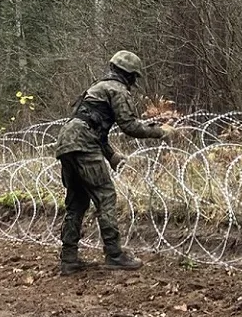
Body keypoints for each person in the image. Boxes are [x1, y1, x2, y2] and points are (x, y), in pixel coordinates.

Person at [54, 50, 175, 275]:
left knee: (77, 202)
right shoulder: (117, 89)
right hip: (84, 145)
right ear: (129, 75)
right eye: (134, 77)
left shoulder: (96, 88)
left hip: (66, 144)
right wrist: (161, 132)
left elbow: (91, 125)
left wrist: (110, 156)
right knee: (106, 197)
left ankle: (69, 258)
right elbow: (129, 126)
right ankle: (114, 254)